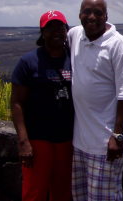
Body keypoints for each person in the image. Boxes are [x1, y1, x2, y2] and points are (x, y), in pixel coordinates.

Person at [68, 0, 123, 201]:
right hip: (79, 143)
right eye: (86, 12)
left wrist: (117, 136)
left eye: (98, 13)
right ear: (79, 14)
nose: (91, 17)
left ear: (106, 16)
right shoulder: (74, 36)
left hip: (105, 145)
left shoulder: (120, 47)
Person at [11, 10, 74, 201]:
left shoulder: (75, 58)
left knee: (63, 192)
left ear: (67, 30)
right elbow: (16, 102)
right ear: (42, 32)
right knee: (34, 191)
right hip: (38, 140)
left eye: (60, 27)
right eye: (50, 27)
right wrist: (23, 142)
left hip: (68, 139)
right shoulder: (28, 62)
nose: (56, 31)